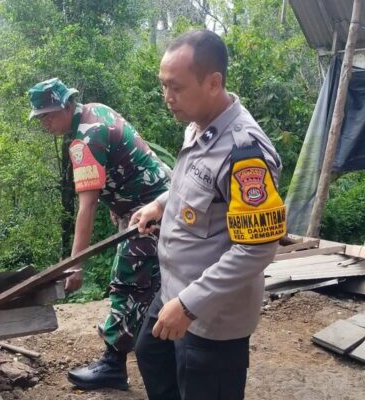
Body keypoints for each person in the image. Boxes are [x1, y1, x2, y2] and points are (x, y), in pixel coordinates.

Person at [130, 30, 286, 400]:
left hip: (210, 317)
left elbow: (258, 249)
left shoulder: (245, 152)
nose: (167, 98)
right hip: (174, 290)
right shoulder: (199, 126)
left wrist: (188, 306)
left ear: (213, 82)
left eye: (176, 87)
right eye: (164, 86)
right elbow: (194, 187)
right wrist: (161, 204)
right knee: (151, 355)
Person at [28, 78, 170, 390]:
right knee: (155, 283)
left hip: (152, 214)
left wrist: (76, 264)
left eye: (49, 114)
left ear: (67, 105)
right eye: (40, 118)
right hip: (161, 202)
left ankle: (113, 366)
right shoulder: (96, 112)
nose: (45, 122)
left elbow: (87, 206)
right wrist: (118, 202)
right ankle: (165, 350)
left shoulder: (84, 140)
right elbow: (127, 162)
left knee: (128, 281)